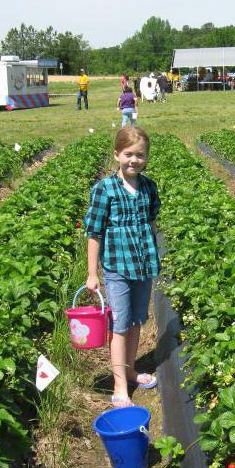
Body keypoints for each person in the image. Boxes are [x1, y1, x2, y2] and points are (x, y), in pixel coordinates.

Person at [84, 127, 160, 407]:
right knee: (119, 324)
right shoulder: (105, 189)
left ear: (146, 157)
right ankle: (118, 385)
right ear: (117, 154)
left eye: (140, 155)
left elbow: (151, 222)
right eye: (128, 154)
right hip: (116, 267)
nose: (134, 160)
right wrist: (93, 274)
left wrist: (153, 252)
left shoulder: (149, 187)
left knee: (137, 320)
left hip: (143, 264)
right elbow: (94, 233)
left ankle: (130, 372)